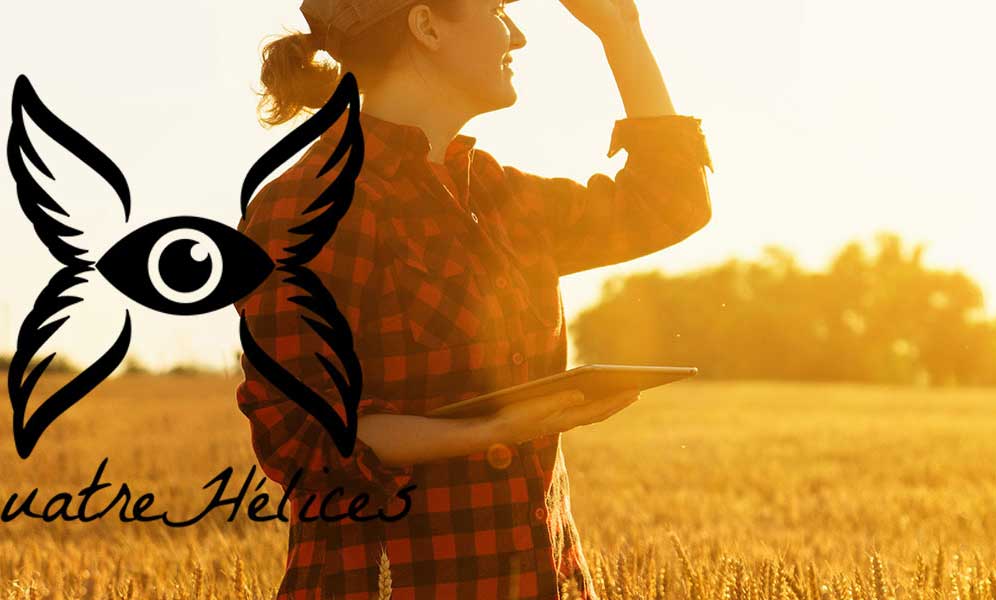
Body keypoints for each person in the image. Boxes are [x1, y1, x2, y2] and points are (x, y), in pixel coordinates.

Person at [232, 0, 712, 597]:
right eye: (497, 9)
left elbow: (669, 203)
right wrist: (498, 428)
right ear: (427, 25)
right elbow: (305, 440)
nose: (518, 35)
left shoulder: (496, 193)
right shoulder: (306, 209)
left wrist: (622, 32)